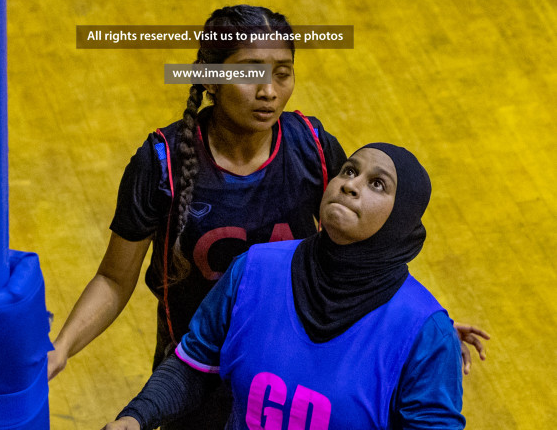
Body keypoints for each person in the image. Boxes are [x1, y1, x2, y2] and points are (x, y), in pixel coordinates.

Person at [48, 5, 487, 429]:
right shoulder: (162, 163)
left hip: (292, 365)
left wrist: (424, 333)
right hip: (195, 360)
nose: (269, 92)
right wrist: (62, 347)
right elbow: (113, 278)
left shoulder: (313, 147)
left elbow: (370, 236)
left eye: (282, 74)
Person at [102, 143, 472, 430]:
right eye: (348, 171)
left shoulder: (425, 333)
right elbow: (192, 367)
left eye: (377, 184)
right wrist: (135, 418)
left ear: (402, 217)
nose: (350, 186)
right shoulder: (254, 270)